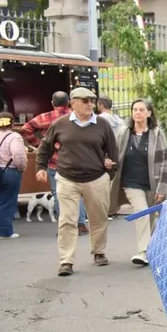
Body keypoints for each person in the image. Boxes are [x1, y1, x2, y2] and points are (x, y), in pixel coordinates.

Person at [35, 87, 117, 276]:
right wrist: (40, 167)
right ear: (73, 103)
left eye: (92, 100)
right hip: (66, 179)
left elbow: (113, 151)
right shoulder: (60, 123)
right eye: (85, 100)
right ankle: (66, 261)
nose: (90, 104)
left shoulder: (102, 125)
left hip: (96, 179)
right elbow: (45, 146)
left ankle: (98, 251)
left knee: (98, 218)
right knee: (67, 221)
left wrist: (109, 174)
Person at [109, 98, 167, 265]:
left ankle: (151, 251)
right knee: (142, 212)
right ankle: (143, 251)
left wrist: (161, 188)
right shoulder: (124, 132)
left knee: (151, 216)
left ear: (149, 113)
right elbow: (114, 152)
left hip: (153, 182)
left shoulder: (156, 133)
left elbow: (164, 162)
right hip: (131, 182)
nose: (137, 112)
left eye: (141, 109)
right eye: (135, 109)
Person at [20, 91, 88, 233]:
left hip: (54, 162)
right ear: (68, 102)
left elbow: (25, 129)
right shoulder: (78, 116)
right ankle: (80, 224)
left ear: (52, 103)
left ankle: (65, 225)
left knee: (59, 194)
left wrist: (39, 144)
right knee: (78, 193)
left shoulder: (45, 117)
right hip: (77, 161)